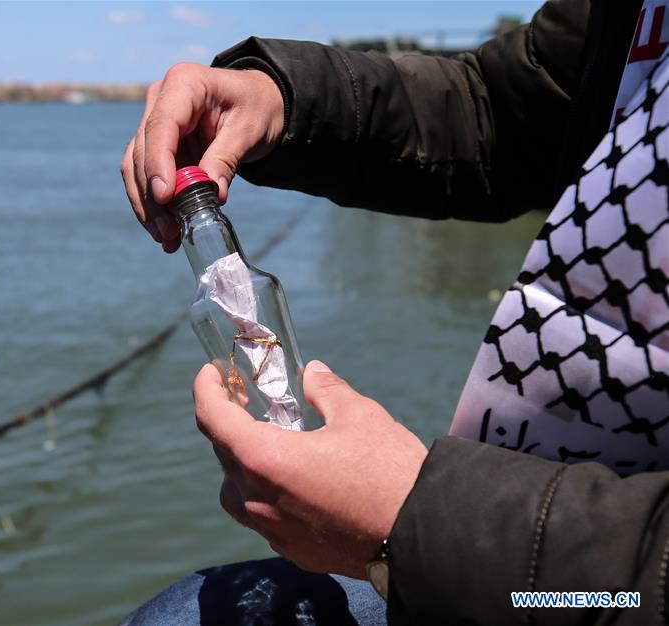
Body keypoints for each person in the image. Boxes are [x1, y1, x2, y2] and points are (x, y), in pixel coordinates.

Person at [119, 0, 669, 623]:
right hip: (525, 506)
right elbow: (499, 108)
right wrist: (281, 96)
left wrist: (412, 524)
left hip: (589, 590)